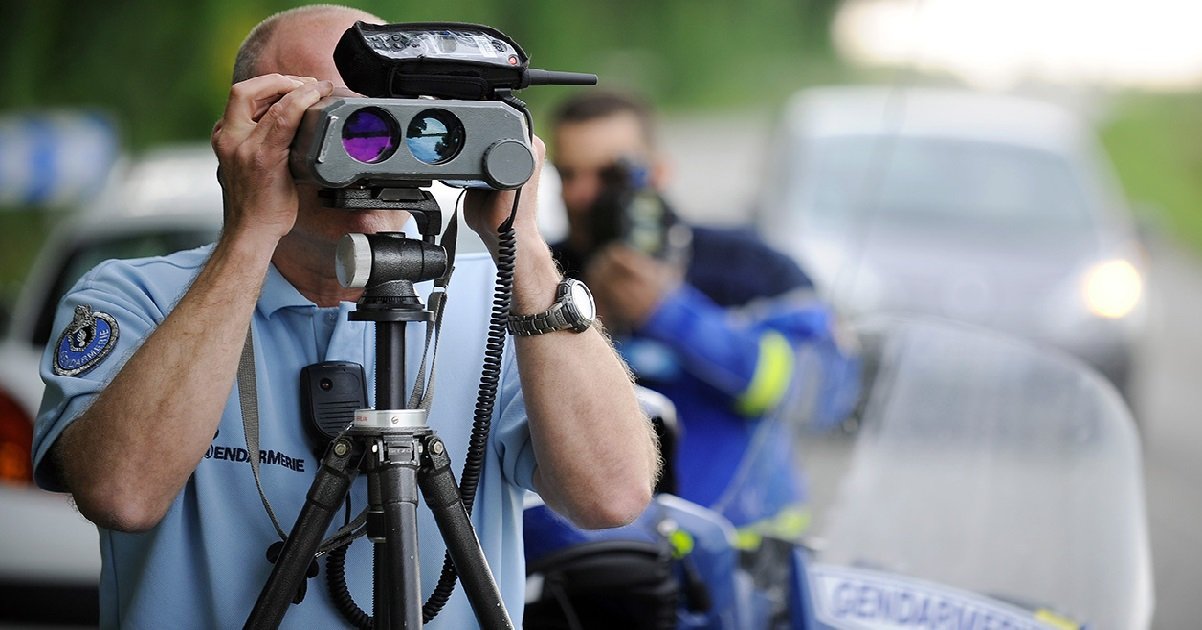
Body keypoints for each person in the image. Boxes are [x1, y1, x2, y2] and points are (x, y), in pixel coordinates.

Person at [31, 6, 657, 628]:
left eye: (394, 118)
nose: (371, 152)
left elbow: (611, 496)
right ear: (250, 133)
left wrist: (522, 248)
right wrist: (248, 232)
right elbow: (122, 495)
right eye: (339, 123)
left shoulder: (497, 304)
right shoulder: (139, 296)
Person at [548, 90, 858, 549]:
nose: (580, 194)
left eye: (608, 175)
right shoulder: (538, 278)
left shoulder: (750, 267)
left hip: (740, 567)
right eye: (567, 175)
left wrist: (669, 313)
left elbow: (823, 395)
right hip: (593, 564)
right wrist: (587, 324)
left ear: (658, 171)